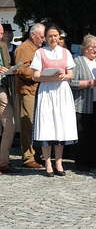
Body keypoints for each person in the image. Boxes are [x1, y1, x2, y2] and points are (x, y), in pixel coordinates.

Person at [30, 24, 78, 177]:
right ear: (45, 38)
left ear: (59, 37)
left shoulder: (65, 52)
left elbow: (71, 73)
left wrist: (65, 76)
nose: (53, 38)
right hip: (47, 91)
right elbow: (34, 76)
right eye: (50, 36)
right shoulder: (40, 52)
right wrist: (50, 77)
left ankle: (59, 161)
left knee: (60, 125)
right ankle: (48, 162)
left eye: (55, 35)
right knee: (47, 125)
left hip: (62, 91)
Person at [70, 34, 96, 171]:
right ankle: (80, 162)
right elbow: (70, 82)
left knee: (94, 133)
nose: (95, 49)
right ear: (84, 47)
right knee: (82, 133)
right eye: (92, 46)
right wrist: (87, 83)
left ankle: (92, 160)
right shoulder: (77, 61)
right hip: (82, 104)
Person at [15, 23, 45, 169]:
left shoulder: (37, 49)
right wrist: (40, 75)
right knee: (28, 124)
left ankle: (36, 154)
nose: (43, 39)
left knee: (35, 124)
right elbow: (21, 69)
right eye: (41, 36)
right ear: (33, 35)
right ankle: (28, 157)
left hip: (37, 90)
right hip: (28, 90)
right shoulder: (23, 49)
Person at [0, 24, 17, 174]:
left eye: (2, 33)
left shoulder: (4, 46)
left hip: (3, 88)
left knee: (10, 124)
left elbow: (7, 65)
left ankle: (3, 161)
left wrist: (12, 69)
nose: (1, 36)